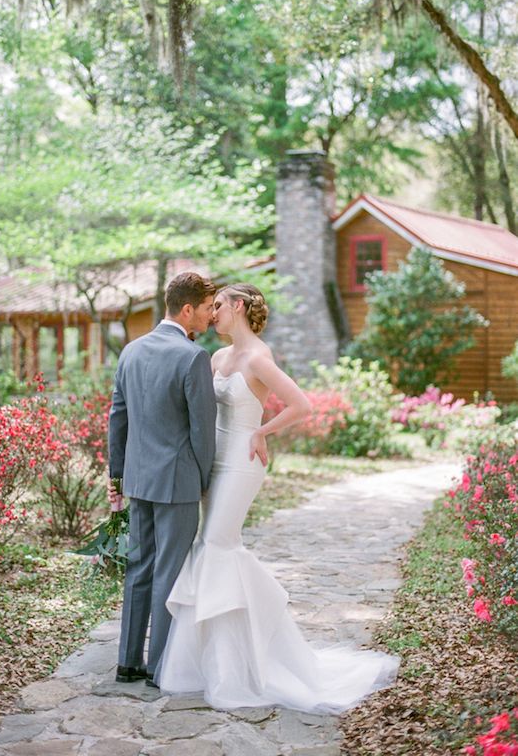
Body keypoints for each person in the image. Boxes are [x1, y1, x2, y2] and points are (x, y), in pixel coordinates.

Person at [155, 283, 399, 711]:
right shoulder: (216, 357)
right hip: (213, 462)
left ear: (239, 307)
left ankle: (239, 669)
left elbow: (301, 405)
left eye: (218, 307)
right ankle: (219, 661)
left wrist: (262, 432)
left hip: (241, 465)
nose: (212, 314)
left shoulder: (258, 358)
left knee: (217, 545)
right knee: (213, 548)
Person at [107, 271, 218, 687]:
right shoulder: (193, 357)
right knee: (168, 573)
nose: (210, 316)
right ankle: (160, 668)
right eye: (207, 308)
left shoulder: (130, 352)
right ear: (187, 309)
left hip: (138, 479)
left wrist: (117, 475)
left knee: (139, 568)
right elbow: (202, 432)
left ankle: (128, 662)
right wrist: (205, 480)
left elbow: (117, 418)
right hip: (178, 483)